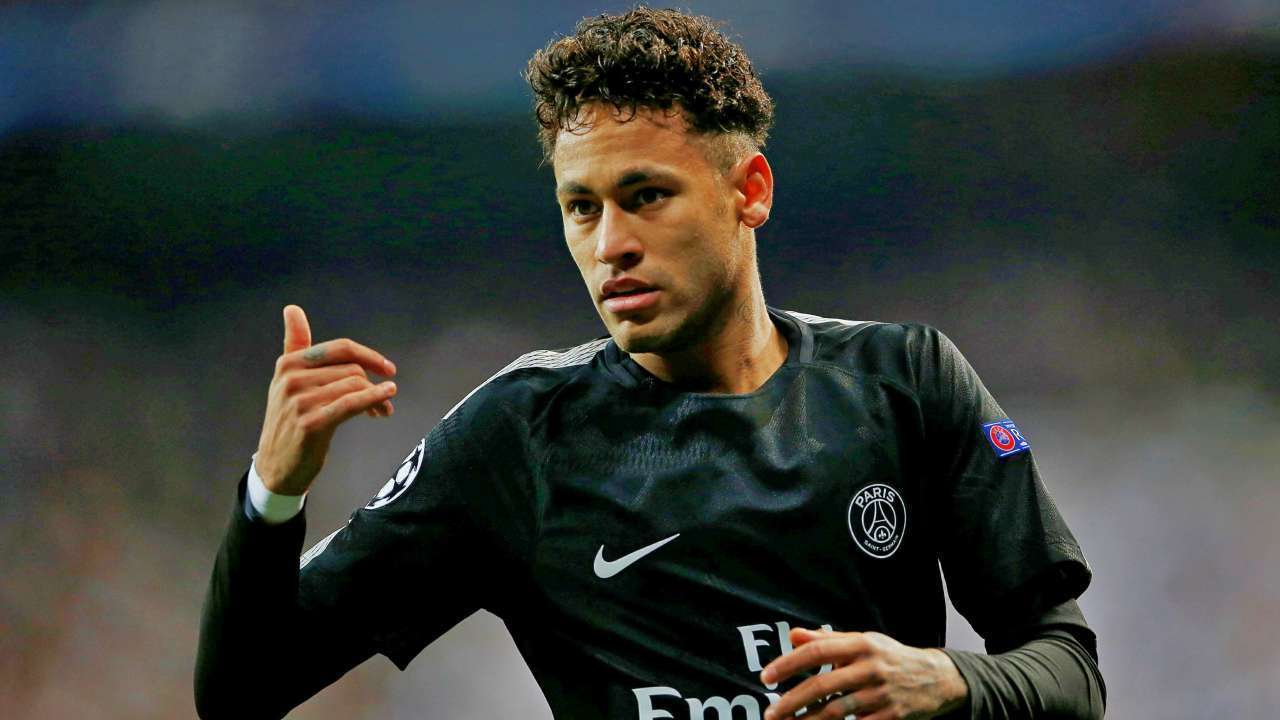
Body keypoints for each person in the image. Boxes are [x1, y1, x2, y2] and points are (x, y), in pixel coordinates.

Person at [196, 8, 1105, 719]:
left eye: (646, 196)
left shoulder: (905, 382)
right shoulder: (521, 436)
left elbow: (1069, 671)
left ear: (749, 191)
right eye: (581, 208)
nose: (611, 245)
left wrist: (948, 680)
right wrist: (273, 492)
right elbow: (241, 692)